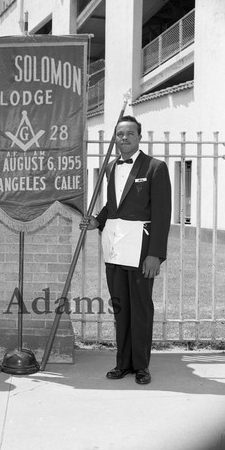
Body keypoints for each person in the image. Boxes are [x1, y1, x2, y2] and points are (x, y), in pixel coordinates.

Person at [80, 115, 171, 385]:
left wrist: (155, 254)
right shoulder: (109, 168)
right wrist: (98, 220)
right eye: (120, 134)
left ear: (139, 137)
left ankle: (141, 366)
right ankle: (123, 363)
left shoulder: (156, 167)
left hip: (141, 249)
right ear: (115, 138)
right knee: (121, 307)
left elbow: (162, 213)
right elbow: (112, 206)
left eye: (130, 133)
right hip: (114, 246)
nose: (124, 138)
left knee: (141, 307)